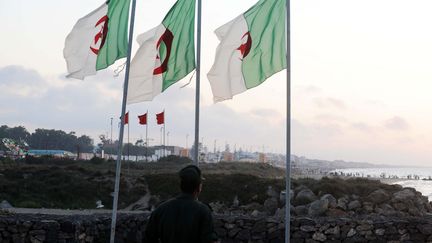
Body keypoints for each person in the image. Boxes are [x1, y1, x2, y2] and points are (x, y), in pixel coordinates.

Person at [145, 165, 218, 243]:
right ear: (199, 187)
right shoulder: (204, 211)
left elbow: (148, 238)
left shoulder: (161, 209)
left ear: (181, 185)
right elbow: (208, 239)